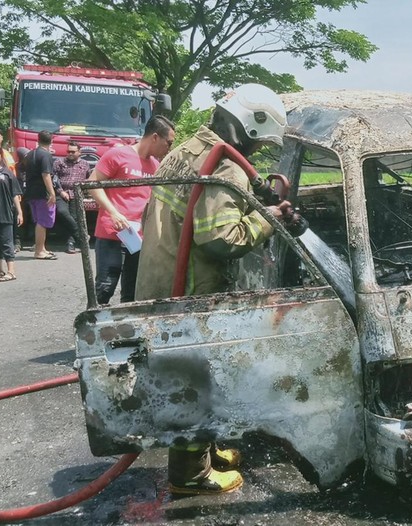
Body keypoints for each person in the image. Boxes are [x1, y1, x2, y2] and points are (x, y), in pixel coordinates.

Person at [134, 83, 288, 495]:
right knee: (195, 376)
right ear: (249, 130)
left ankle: (206, 448)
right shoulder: (228, 166)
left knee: (188, 372)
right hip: (188, 288)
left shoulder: (187, 147)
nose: (256, 154)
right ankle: (190, 475)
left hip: (158, 279)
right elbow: (219, 238)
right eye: (259, 143)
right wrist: (267, 219)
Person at [88, 115, 175, 305]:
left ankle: (127, 333)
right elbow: (92, 184)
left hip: (138, 237)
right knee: (105, 288)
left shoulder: (156, 166)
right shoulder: (117, 155)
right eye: (168, 142)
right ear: (155, 137)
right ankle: (94, 329)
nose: (169, 148)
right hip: (113, 233)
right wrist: (113, 212)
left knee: (132, 293)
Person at [24, 130, 57, 260]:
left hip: (31, 192)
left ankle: (42, 248)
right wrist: (52, 193)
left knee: (39, 220)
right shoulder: (46, 155)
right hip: (42, 193)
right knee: (43, 222)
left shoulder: (30, 154)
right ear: (51, 141)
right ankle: (39, 251)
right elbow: (46, 174)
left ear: (38, 139)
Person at [0, 146, 23, 281]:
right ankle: (0, 271)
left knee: (6, 242)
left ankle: (11, 271)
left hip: (4, 214)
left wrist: (20, 212)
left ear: (1, 157)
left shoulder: (7, 173)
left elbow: (15, 194)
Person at [53, 141, 90, 253]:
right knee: (62, 212)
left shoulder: (85, 164)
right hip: (61, 193)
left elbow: (88, 178)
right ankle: (82, 236)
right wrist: (60, 191)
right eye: (68, 151)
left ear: (79, 152)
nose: (70, 154)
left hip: (77, 194)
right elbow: (53, 179)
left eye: (73, 152)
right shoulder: (59, 162)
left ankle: (71, 243)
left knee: (74, 218)